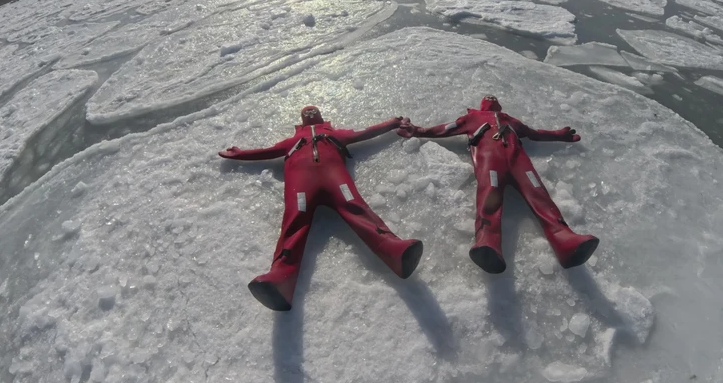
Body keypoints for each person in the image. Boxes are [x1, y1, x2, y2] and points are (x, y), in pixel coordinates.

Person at [219, 106, 423, 311]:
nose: (309, 113)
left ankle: (393, 250)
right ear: (301, 120)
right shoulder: (291, 141)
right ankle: (280, 278)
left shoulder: (335, 134)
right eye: (306, 112)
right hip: (302, 187)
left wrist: (392, 123)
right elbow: (268, 152)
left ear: (322, 117)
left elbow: (363, 132)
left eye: (313, 111)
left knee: (354, 206)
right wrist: (239, 154)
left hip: (335, 180)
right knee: (295, 219)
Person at [399, 95, 598, 273]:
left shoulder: (510, 121)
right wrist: (417, 130)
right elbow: (446, 129)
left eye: (495, 100)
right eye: (489, 99)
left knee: (539, 193)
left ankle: (564, 239)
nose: (492, 100)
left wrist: (558, 135)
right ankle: (487, 242)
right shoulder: (471, 118)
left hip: (519, 162)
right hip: (490, 162)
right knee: (489, 194)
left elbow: (533, 133)